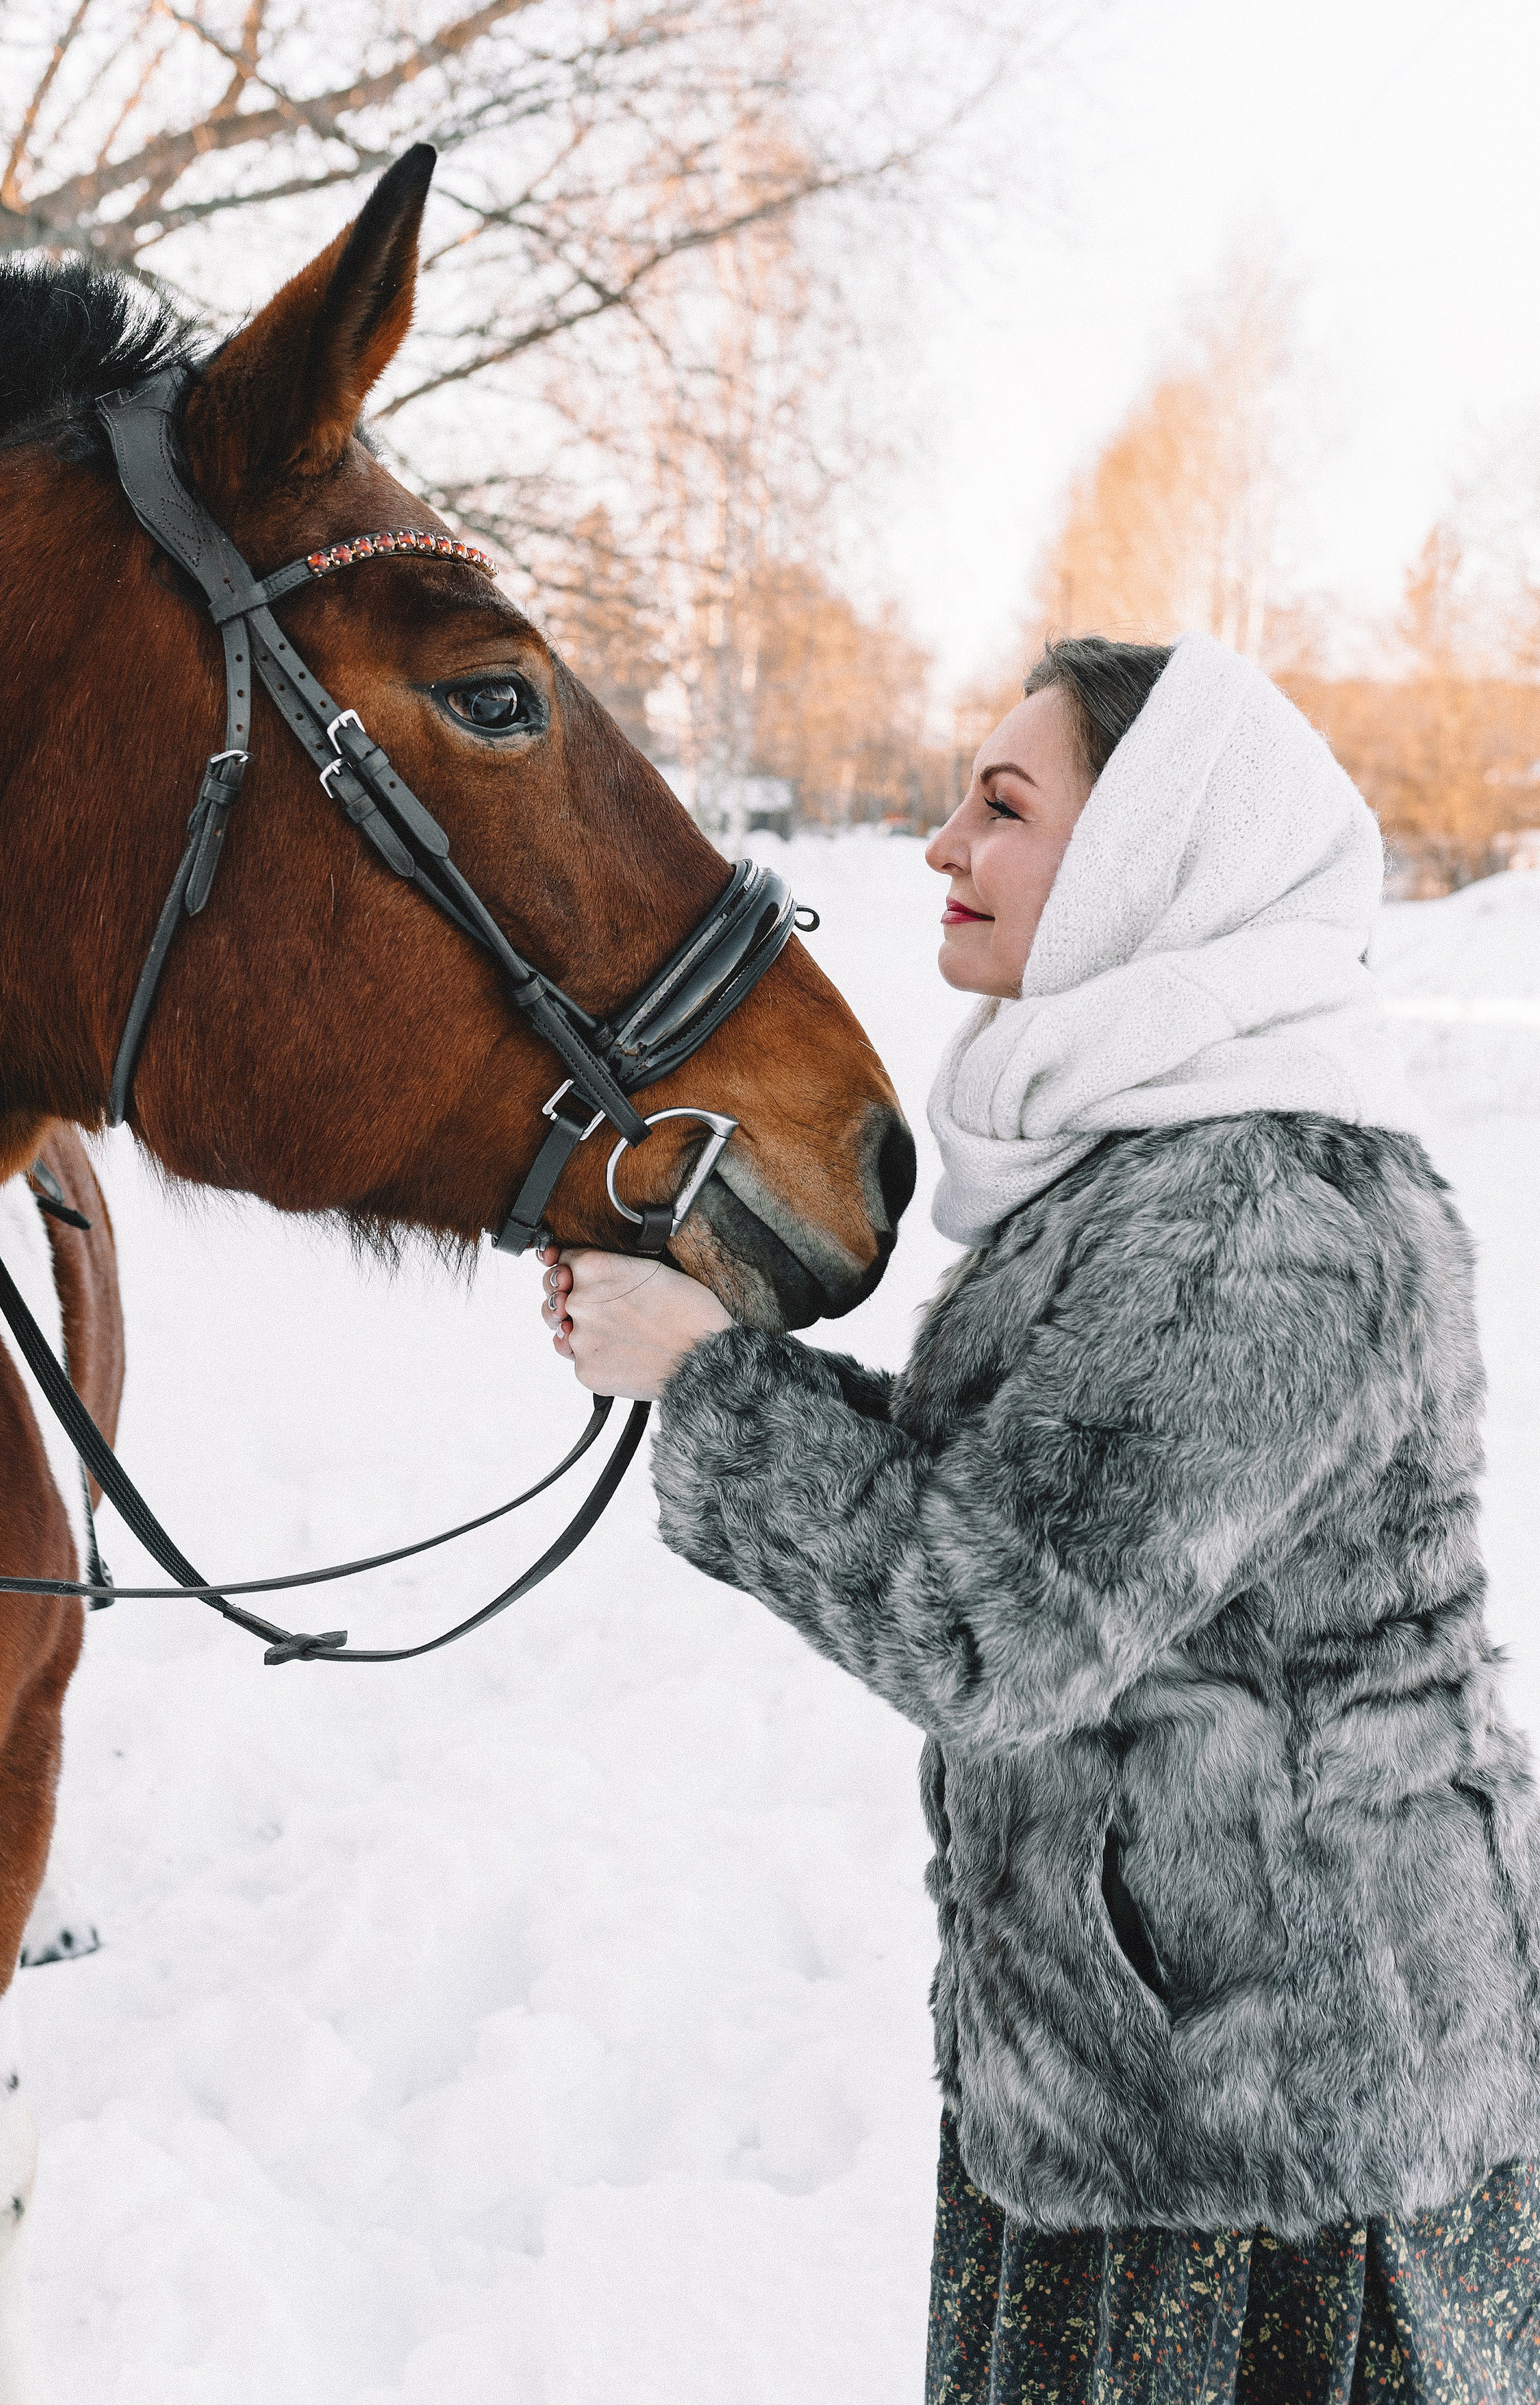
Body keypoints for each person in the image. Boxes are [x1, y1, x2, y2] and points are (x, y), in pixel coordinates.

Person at [540, 631, 1540, 2402]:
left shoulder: (1260, 1213)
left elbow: (996, 1625)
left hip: (1273, 2131)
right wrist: (710, 1354)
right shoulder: (1156, 1170)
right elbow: (1016, 1510)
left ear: (1163, 862)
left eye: (1002, 806)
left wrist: (714, 1389)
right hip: (1139, 2074)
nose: (941, 845)